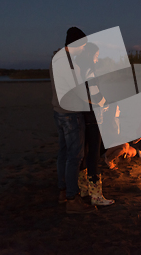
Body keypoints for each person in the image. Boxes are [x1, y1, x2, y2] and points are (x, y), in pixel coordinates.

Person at [50, 27, 95, 214]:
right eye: (82, 45)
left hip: (58, 111)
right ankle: (72, 198)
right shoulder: (70, 64)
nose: (84, 49)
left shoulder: (56, 59)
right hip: (71, 113)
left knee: (64, 153)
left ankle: (63, 192)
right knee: (75, 156)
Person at [74, 42, 114, 206]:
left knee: (86, 151)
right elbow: (95, 93)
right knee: (94, 154)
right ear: (90, 55)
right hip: (93, 115)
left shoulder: (78, 69)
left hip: (83, 114)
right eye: (96, 56)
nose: (97, 60)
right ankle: (97, 196)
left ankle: (84, 189)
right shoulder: (89, 71)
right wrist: (105, 103)